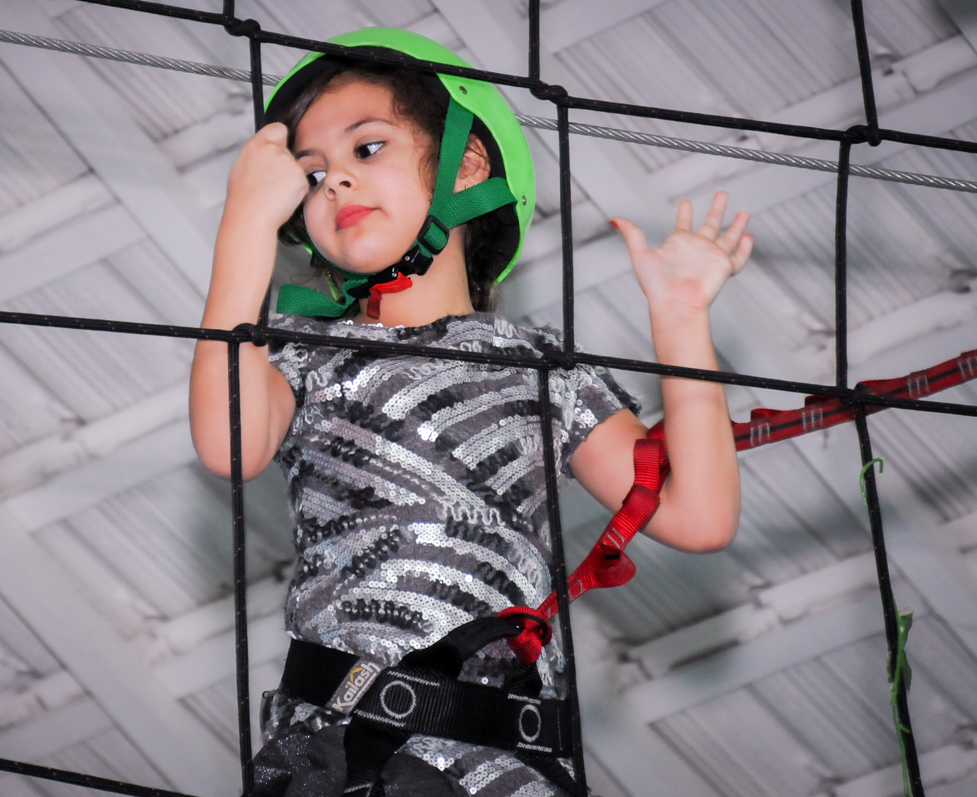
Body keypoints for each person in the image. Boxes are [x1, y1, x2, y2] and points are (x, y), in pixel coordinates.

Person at [189, 28, 751, 797]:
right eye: (310, 174)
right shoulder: (299, 356)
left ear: (468, 163)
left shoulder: (543, 370)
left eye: (367, 149)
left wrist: (683, 320)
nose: (334, 185)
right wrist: (244, 226)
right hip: (343, 760)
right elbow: (228, 442)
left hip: (511, 771)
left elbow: (699, 515)